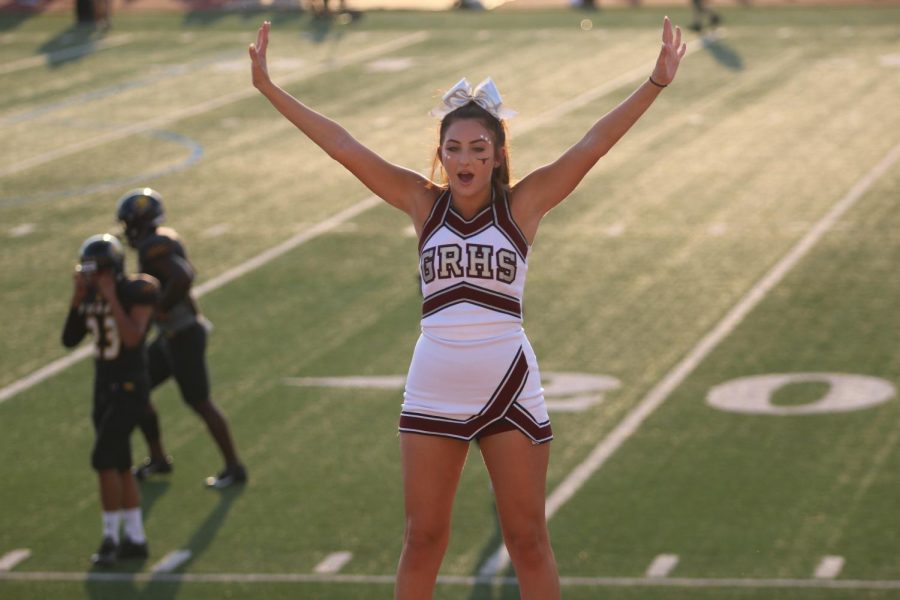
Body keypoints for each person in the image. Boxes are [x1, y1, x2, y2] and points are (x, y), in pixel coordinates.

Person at [249, 17, 685, 599]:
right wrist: (270, 88)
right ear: (441, 154)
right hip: (434, 387)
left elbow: (591, 144)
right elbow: (344, 144)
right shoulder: (420, 204)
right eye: (453, 148)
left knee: (527, 540)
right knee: (422, 539)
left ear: (497, 153)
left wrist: (654, 83)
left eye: (478, 148)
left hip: (509, 386)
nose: (465, 159)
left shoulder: (523, 206)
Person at [115, 188, 247, 489]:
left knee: (200, 402)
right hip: (170, 336)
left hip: (183, 334)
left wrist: (160, 306)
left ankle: (234, 466)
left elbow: (184, 275)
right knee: (137, 385)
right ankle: (159, 458)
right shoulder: (157, 241)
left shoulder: (154, 246)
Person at [62, 234, 158, 566]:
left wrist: (112, 297)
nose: (91, 276)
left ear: (113, 269)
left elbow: (132, 338)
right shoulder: (89, 293)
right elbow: (69, 339)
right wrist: (77, 298)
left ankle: (109, 538)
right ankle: (135, 538)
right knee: (119, 461)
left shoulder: (135, 291)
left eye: (97, 270)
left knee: (103, 459)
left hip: (131, 386)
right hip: (103, 387)